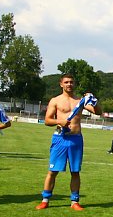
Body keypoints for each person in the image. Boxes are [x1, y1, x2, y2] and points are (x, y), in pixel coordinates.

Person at [36, 74, 101, 210]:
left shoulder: (81, 101)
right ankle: (45, 199)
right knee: (53, 171)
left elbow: (98, 112)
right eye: (66, 82)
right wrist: (59, 121)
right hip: (60, 138)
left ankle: (74, 201)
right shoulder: (55, 100)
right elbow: (47, 120)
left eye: (71, 82)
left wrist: (94, 101)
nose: (69, 84)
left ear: (74, 84)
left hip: (76, 139)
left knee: (75, 172)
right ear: (61, 84)